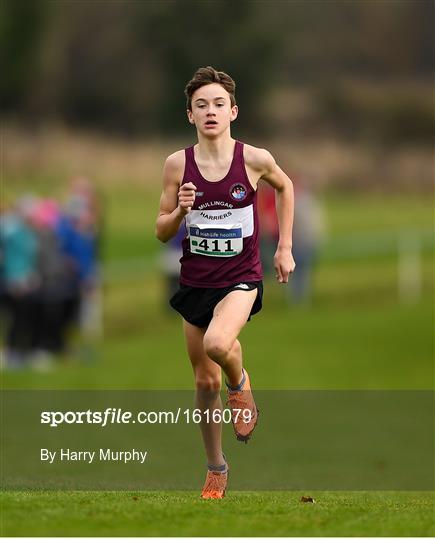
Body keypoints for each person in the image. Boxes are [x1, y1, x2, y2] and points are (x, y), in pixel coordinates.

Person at [155, 66, 295, 499]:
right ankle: (216, 467)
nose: (210, 111)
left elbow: (285, 187)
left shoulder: (254, 159)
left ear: (233, 111)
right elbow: (160, 230)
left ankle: (242, 386)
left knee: (219, 345)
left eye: (218, 104)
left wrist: (284, 246)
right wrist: (179, 211)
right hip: (195, 282)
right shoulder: (177, 164)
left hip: (240, 278)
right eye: (202, 106)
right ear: (190, 116)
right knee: (203, 383)